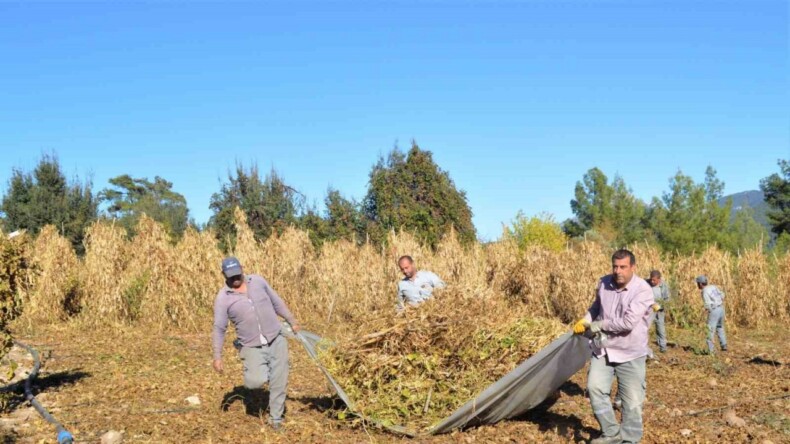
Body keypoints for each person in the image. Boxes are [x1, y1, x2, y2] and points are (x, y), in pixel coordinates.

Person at [573, 249, 654, 444]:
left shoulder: (642, 290)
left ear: (633, 267)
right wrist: (586, 319)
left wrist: (598, 325)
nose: (618, 271)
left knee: (632, 401)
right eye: (615, 266)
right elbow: (596, 307)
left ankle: (630, 439)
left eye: (623, 267)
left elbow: (627, 323)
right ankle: (610, 433)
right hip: (604, 349)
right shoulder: (604, 283)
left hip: (630, 352)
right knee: (594, 388)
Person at [212, 257, 301, 432]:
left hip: (276, 338)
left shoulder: (258, 281)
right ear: (223, 275)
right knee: (255, 382)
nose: (235, 278)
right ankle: (257, 365)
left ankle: (276, 419)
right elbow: (219, 328)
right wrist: (217, 356)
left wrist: (291, 320)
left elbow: (276, 302)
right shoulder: (223, 298)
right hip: (250, 345)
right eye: (231, 276)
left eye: (237, 274)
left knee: (279, 380)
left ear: (242, 269)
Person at [696, 275, 727, 353]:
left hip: (714, 310)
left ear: (700, 284)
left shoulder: (704, 291)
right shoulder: (713, 287)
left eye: (697, 283)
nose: (697, 285)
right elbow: (723, 295)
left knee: (710, 330)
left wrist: (707, 311)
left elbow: (707, 304)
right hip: (721, 309)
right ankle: (724, 345)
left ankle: (711, 350)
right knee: (720, 327)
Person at [648, 270, 670, 353]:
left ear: (659, 279)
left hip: (659, 310)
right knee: (645, 328)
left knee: (660, 328)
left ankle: (663, 347)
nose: (652, 281)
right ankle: (643, 347)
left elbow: (667, 299)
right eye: (651, 279)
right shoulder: (646, 283)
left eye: (654, 280)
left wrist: (659, 307)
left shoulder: (664, 286)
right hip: (648, 310)